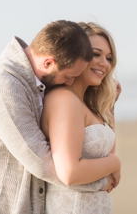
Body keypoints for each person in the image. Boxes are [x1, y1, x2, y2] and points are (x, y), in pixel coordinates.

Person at [0, 20, 113, 214]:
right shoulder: (4, 87)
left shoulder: (40, 81)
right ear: (48, 62)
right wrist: (102, 181)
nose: (70, 81)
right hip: (3, 208)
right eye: (69, 76)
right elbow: (42, 163)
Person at [41, 22, 122, 213]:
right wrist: (116, 163)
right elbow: (70, 173)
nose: (104, 63)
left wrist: (109, 109)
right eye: (96, 54)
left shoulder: (84, 104)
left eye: (109, 58)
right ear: (77, 56)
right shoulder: (64, 100)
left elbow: (105, 153)